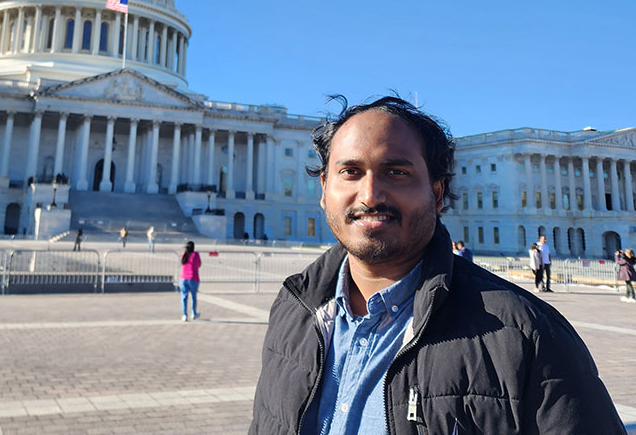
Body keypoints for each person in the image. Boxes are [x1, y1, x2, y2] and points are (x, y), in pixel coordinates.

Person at [250, 95, 625, 434]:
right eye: (351, 172)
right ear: (324, 191)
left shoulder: (531, 337)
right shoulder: (291, 310)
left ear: (437, 193)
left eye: (396, 172)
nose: (370, 195)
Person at [179, 241, 201, 322]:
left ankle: (184, 314)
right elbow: (199, 264)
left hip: (183, 278)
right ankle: (194, 313)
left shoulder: (183, 255)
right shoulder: (195, 255)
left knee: (184, 297)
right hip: (193, 278)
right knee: (193, 296)